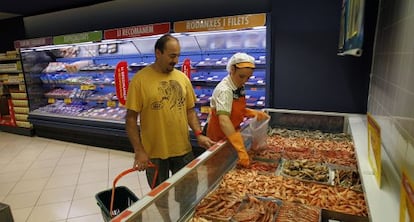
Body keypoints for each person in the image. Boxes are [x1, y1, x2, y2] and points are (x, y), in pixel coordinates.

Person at [125, 34, 215, 221]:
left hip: (182, 149)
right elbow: (131, 119)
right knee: (160, 195)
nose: (176, 60)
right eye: (172, 56)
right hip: (154, 153)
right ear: (158, 53)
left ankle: (185, 218)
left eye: (178, 55)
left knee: (188, 191)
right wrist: (139, 151)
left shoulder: (182, 79)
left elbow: (190, 111)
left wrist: (199, 134)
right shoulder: (140, 81)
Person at [206, 52, 270, 167]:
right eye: (242, 76)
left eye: (248, 77)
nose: (245, 81)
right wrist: (240, 149)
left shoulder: (238, 85)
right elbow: (224, 121)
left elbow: (234, 108)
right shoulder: (224, 90)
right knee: (217, 167)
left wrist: (249, 112)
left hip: (232, 133)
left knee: (229, 164)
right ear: (232, 69)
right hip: (219, 137)